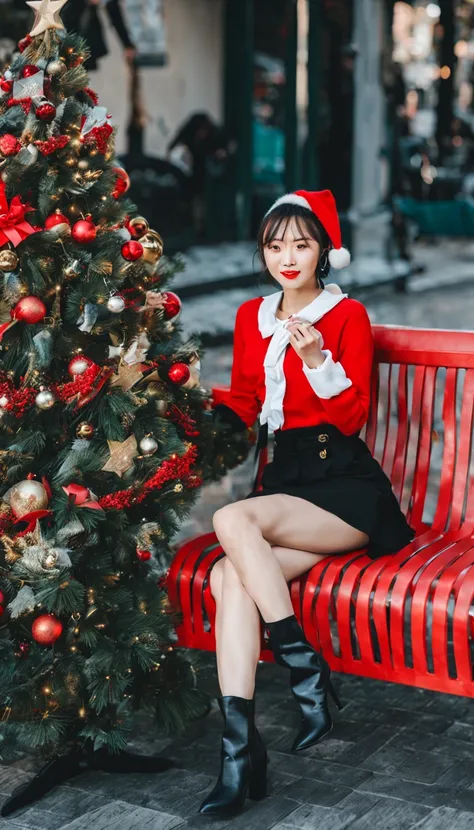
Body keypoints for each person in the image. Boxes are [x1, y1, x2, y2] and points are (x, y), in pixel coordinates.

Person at [199, 190, 415, 818]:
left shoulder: (347, 316)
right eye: (275, 244)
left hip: (345, 490)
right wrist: (199, 420)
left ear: (325, 249)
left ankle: (302, 666)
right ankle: (240, 758)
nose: (287, 257)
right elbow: (244, 403)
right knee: (224, 577)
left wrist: (317, 357)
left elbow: (351, 419)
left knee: (231, 518)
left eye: (301, 243)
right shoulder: (250, 316)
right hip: (285, 484)